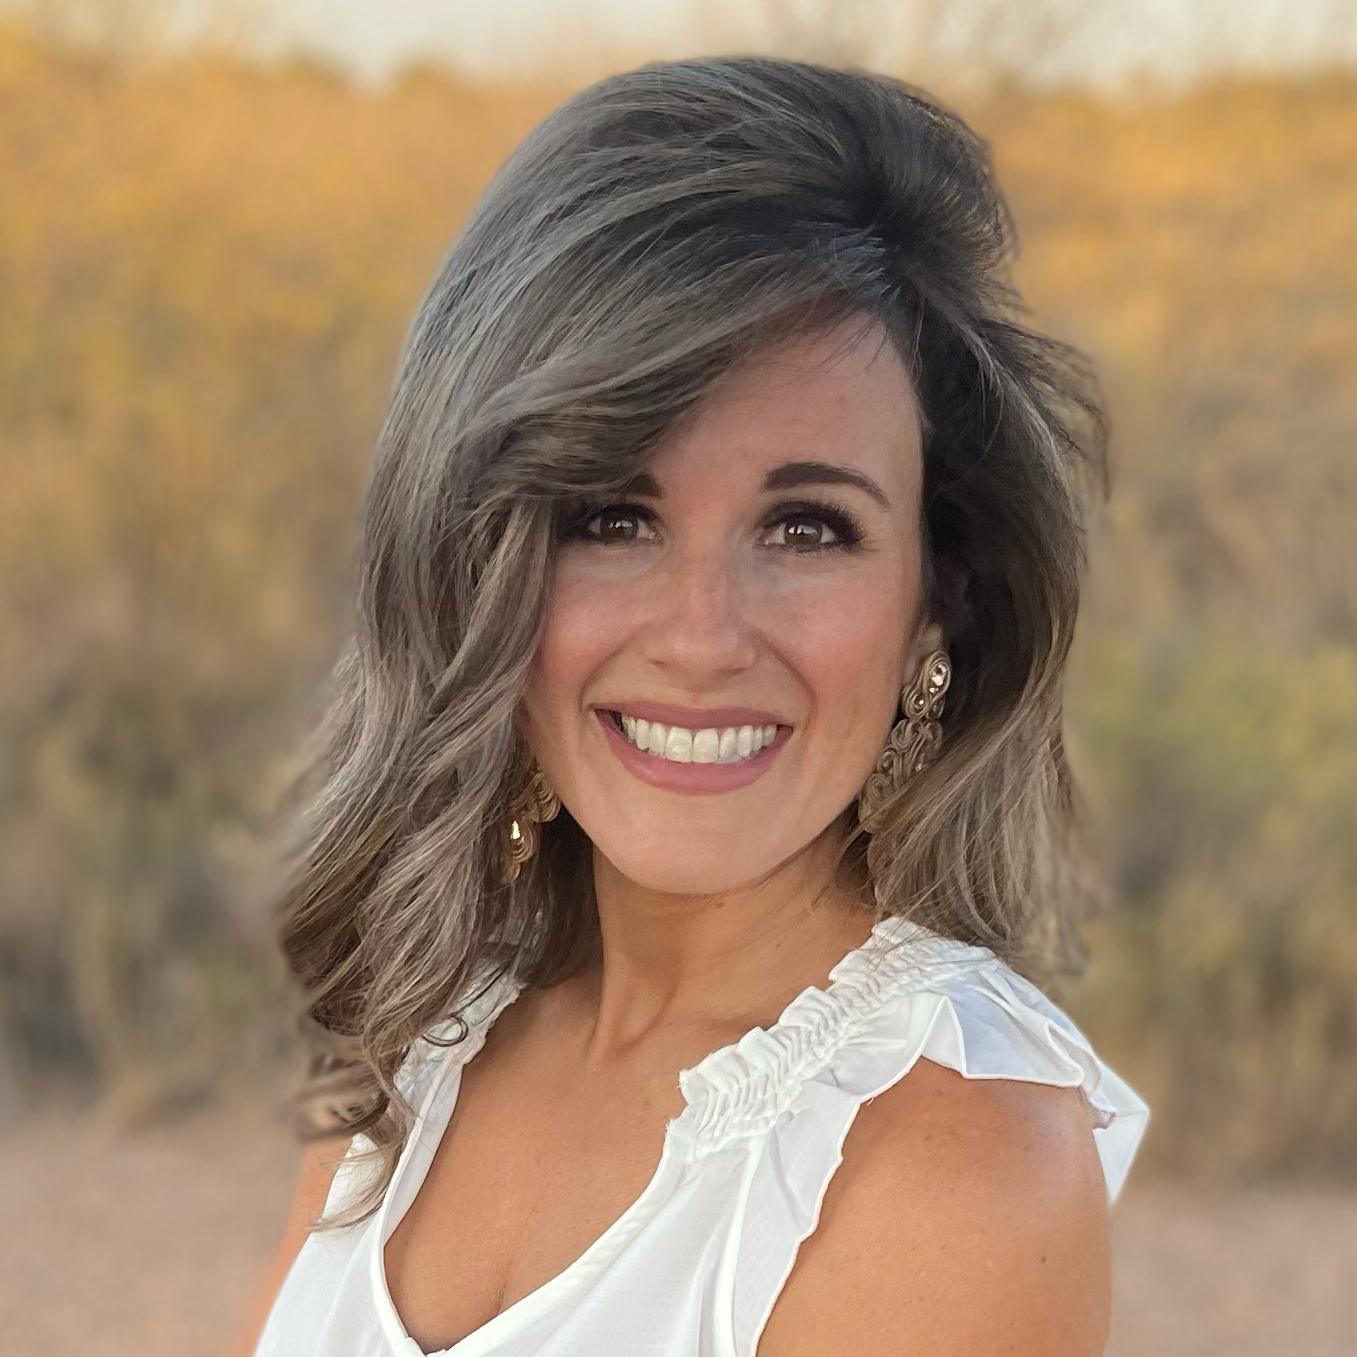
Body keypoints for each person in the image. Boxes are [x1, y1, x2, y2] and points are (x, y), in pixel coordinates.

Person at [237, 54, 1149, 1357]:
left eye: (807, 526)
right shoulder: (411, 1037)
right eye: (613, 517)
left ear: (935, 601)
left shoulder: (949, 1158)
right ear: (473, 558)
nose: (702, 637)